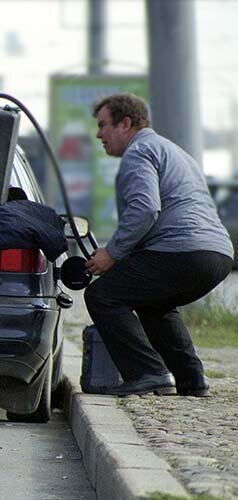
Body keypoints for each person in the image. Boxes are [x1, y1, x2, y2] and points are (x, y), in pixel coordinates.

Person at [84, 93, 234, 397]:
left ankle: (148, 372)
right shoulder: (173, 150)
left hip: (183, 251)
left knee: (103, 295)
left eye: (103, 125)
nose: (99, 134)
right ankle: (192, 380)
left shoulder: (138, 152)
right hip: (217, 255)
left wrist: (112, 254)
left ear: (125, 123)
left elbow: (145, 207)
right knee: (154, 302)